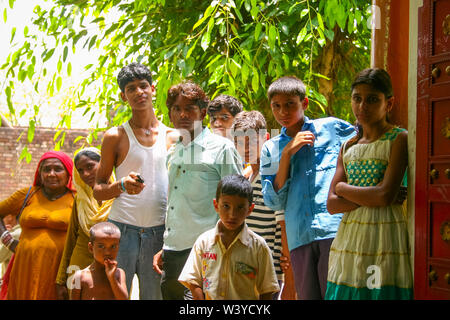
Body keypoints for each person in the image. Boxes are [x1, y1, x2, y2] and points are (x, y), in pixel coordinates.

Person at [260, 76, 355, 300]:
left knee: (338, 295)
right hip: (299, 236)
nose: (283, 112)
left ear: (305, 103)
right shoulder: (271, 148)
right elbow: (273, 202)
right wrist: (286, 155)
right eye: (277, 106)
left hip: (334, 231)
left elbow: (364, 142)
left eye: (290, 104)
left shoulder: (332, 128)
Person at [325, 68, 413, 300]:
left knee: (379, 292)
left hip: (385, 233)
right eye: (357, 99)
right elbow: (332, 205)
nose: (363, 106)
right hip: (350, 236)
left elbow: (384, 196)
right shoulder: (347, 147)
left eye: (372, 99)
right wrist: (370, 197)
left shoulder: (398, 139)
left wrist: (344, 189)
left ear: (389, 104)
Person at [152, 81, 244, 300]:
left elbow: (239, 198)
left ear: (202, 112)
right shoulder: (174, 150)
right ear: (169, 114)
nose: (183, 114)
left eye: (189, 108)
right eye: (177, 109)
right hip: (173, 250)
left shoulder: (222, 148)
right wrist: (167, 246)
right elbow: (178, 201)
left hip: (208, 250)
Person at [93, 63, 177, 300]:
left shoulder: (174, 136)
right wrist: (121, 186)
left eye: (143, 86)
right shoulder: (115, 137)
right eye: (131, 88)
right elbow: (98, 191)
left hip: (160, 232)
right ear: (123, 96)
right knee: (113, 295)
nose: (139, 92)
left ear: (153, 88)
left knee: (156, 297)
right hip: (121, 231)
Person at [178, 174, 280, 300]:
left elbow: (267, 290)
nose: (232, 214)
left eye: (240, 208)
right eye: (226, 206)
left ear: (250, 209)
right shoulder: (204, 242)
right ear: (216, 205)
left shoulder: (259, 247)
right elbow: (193, 281)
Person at [0, 151, 74, 300]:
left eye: (58, 169)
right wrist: (7, 240)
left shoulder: (76, 200)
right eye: (46, 169)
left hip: (59, 268)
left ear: (68, 173)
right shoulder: (28, 195)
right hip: (24, 265)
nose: (51, 174)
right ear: (40, 173)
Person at [231, 111, 284, 292]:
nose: (245, 147)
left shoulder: (272, 175)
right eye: (239, 141)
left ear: (266, 138)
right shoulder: (245, 177)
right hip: (244, 265)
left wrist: (286, 269)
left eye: (252, 140)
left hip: (268, 269)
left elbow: (281, 223)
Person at [55, 147, 115, 300]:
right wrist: (61, 279)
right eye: (80, 170)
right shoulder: (80, 200)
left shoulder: (119, 196)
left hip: (110, 267)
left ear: (103, 164)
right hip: (77, 266)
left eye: (90, 166)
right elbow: (71, 240)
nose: (85, 174)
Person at [70, 221, 127, 300]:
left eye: (113, 246)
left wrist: (112, 279)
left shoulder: (119, 273)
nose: (108, 252)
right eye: (101, 246)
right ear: (91, 248)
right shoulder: (79, 277)